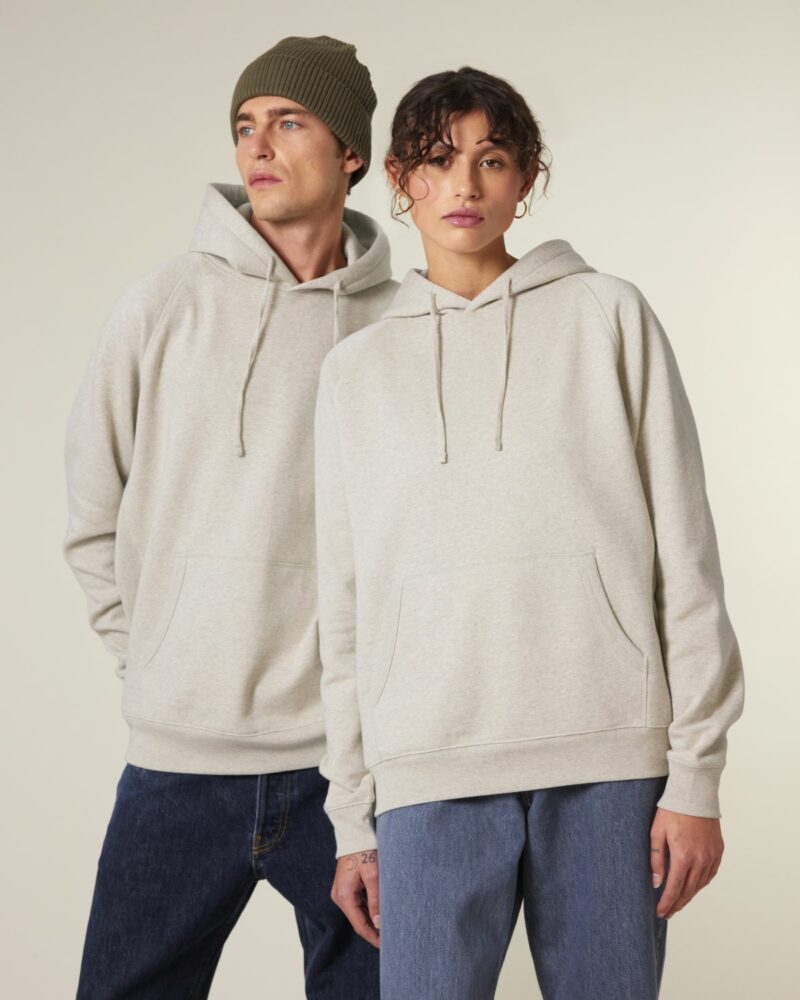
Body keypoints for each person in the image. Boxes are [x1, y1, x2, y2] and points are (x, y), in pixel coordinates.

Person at [313, 65, 745, 999]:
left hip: (608, 761)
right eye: (437, 162)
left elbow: (687, 558)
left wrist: (696, 778)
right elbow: (342, 604)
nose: (463, 186)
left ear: (527, 177)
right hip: (427, 768)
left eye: (492, 159)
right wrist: (351, 816)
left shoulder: (608, 316)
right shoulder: (356, 371)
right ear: (399, 178)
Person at [62, 35, 397, 999]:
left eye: (289, 121)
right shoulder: (163, 306)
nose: (258, 144)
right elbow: (90, 513)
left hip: (347, 774)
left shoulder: (400, 324)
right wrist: (156, 661)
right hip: (179, 762)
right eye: (246, 125)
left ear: (351, 154)